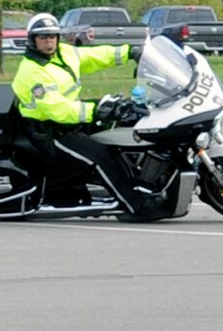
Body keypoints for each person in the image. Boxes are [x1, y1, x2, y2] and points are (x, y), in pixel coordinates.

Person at [9, 12, 157, 215]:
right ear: (32, 40)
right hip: (52, 132)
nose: (49, 41)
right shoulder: (31, 71)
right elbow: (57, 109)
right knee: (102, 156)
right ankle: (136, 205)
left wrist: (131, 52)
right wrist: (97, 110)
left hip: (71, 119)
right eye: (43, 37)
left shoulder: (63, 53)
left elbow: (95, 56)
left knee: (124, 121)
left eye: (52, 36)